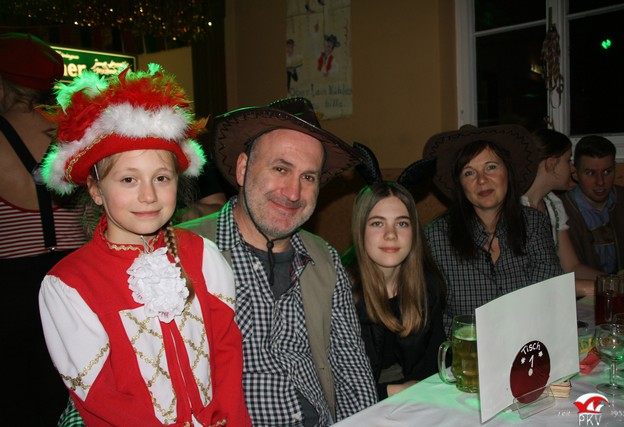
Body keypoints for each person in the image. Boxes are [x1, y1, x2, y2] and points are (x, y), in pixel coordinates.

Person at [38, 64, 251, 426]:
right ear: (96, 190)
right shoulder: (69, 286)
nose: (149, 195)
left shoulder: (203, 257)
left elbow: (227, 358)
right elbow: (101, 395)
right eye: (128, 179)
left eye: (161, 178)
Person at [180, 97, 378, 426]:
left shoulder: (325, 259)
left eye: (309, 177)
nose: (294, 192)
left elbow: (351, 371)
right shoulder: (181, 252)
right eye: (281, 169)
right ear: (243, 168)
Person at [0, 32, 87, 426]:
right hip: (75, 279)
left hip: (10, 290)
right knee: (73, 392)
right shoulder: (73, 135)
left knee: (16, 399)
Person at [422, 124, 564, 337]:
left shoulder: (534, 224)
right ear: (460, 184)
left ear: (508, 172)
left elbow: (550, 292)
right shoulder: (436, 237)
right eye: (469, 172)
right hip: (466, 351)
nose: (481, 180)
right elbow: (428, 315)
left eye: (491, 167)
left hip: (528, 344)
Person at [341, 142, 446, 401]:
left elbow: (435, 365)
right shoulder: (340, 292)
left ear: (414, 232)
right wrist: (390, 392)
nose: (391, 234)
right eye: (377, 223)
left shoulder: (428, 285)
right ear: (360, 231)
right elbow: (333, 384)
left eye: (402, 223)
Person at [522, 129, 605, 296]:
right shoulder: (515, 209)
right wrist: (600, 287)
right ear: (551, 164)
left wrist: (613, 280)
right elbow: (532, 282)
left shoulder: (552, 203)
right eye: (568, 160)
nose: (573, 169)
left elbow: (571, 267)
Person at [559, 135, 624, 275]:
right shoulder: (561, 210)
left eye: (607, 172)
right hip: (582, 288)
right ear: (575, 173)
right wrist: (614, 281)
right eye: (591, 173)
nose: (600, 182)